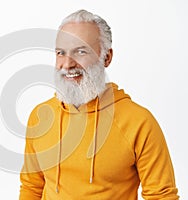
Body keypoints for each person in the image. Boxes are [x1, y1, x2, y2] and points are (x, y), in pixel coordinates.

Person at [19, 9, 179, 199]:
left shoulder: (139, 122)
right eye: (61, 53)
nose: (68, 64)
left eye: (80, 51)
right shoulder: (40, 116)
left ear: (107, 57)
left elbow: (162, 196)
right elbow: (31, 187)